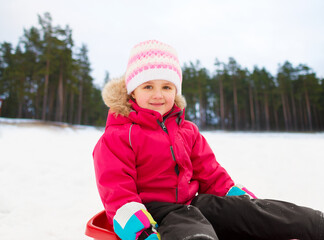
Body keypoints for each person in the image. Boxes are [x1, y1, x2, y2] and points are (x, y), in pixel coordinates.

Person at [93, 40, 324, 240]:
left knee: (259, 213)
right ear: (133, 91)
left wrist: (241, 204)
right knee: (195, 231)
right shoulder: (119, 137)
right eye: (148, 86)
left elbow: (210, 174)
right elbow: (118, 193)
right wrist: (140, 230)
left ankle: (317, 224)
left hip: (194, 204)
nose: (158, 95)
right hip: (155, 214)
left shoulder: (187, 131)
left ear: (176, 90)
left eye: (166, 86)